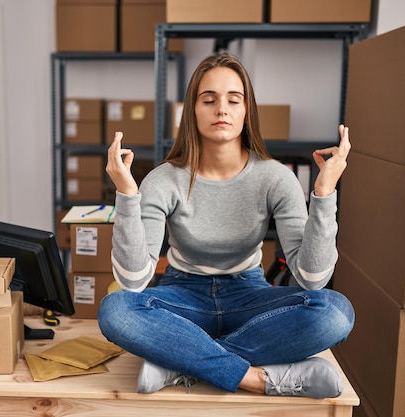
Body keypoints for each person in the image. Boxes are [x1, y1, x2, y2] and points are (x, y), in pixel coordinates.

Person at [98, 52, 354, 399]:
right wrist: (127, 194)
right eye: (209, 100)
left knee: (336, 312)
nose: (222, 109)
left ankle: (180, 359)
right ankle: (256, 378)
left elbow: (312, 279)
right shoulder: (163, 180)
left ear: (246, 111)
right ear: (192, 111)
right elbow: (132, 279)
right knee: (117, 309)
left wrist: (323, 194)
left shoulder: (276, 178)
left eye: (234, 100)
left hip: (248, 297)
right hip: (182, 294)